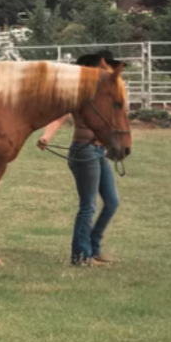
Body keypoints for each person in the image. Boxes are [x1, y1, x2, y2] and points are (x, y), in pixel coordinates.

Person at [38, 51, 121, 267]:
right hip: (83, 152)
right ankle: (81, 256)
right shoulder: (77, 92)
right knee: (88, 206)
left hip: (99, 152)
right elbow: (60, 115)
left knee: (112, 202)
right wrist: (47, 136)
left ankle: (92, 249)